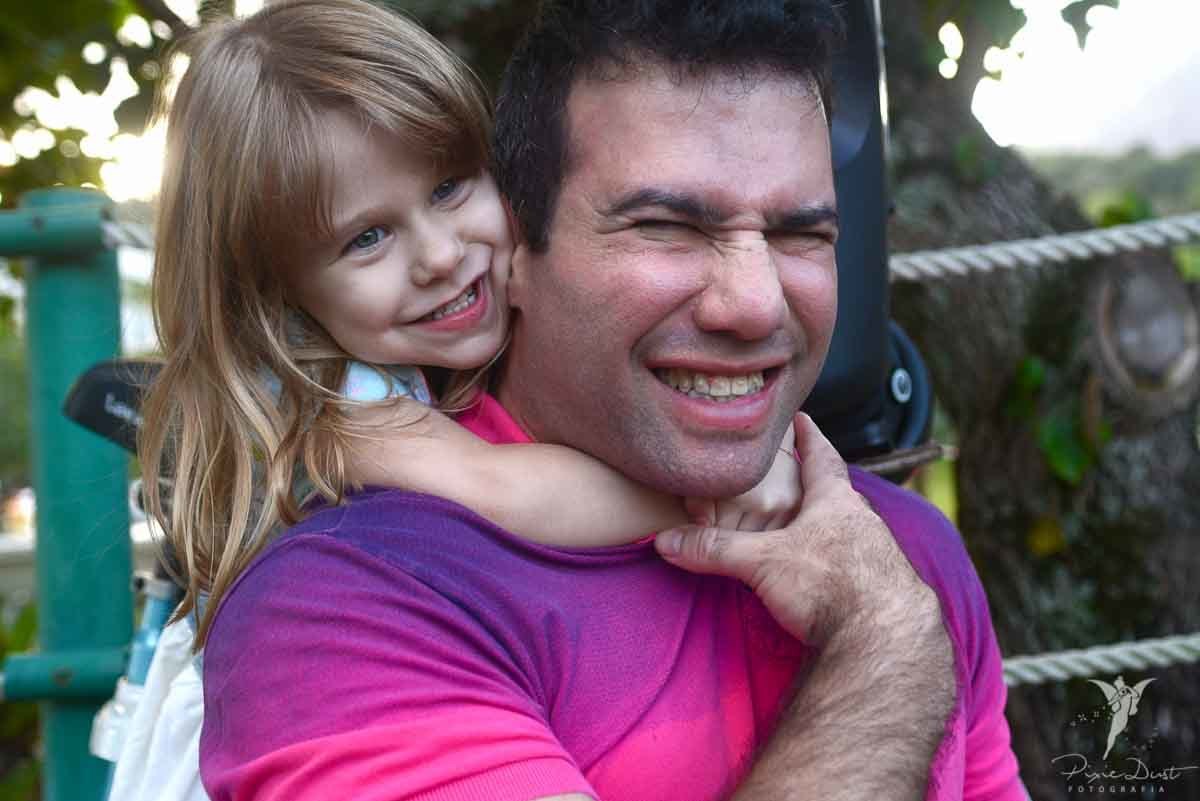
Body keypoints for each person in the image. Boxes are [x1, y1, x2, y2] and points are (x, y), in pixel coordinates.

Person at [197, 2, 1027, 801]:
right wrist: (883, 637)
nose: (755, 304)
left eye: (799, 233)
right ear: (520, 240)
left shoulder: (903, 546)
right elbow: (498, 488)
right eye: (665, 225)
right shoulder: (347, 605)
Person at [138, 0, 803, 655]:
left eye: (448, 188)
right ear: (275, 291)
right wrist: (714, 493)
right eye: (367, 238)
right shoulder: (333, 410)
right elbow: (503, 490)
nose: (441, 255)